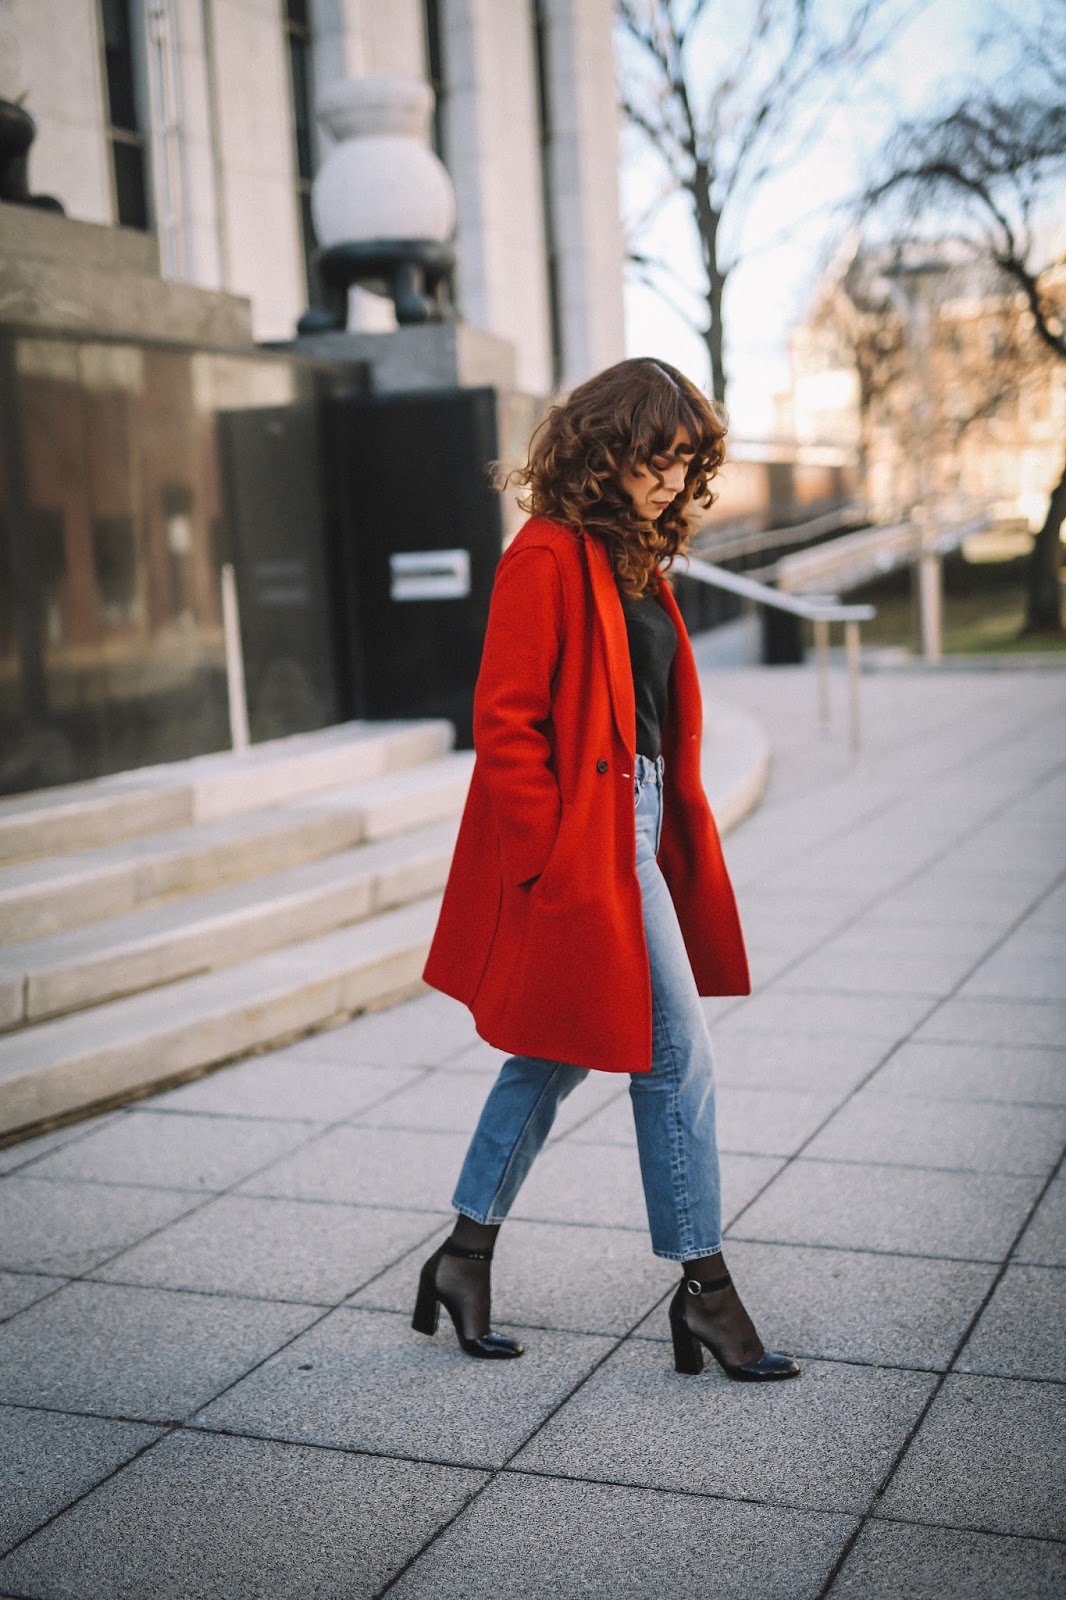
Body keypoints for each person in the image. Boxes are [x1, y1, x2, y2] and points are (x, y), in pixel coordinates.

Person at [414, 357, 799, 1383]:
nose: (672, 480)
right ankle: (706, 1292)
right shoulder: (543, 555)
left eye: (686, 462)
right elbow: (503, 721)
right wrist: (550, 862)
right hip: (587, 839)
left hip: (633, 818)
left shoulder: (631, 560)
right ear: (605, 449)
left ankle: (463, 1254)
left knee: (555, 1051)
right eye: (655, 458)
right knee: (677, 1057)